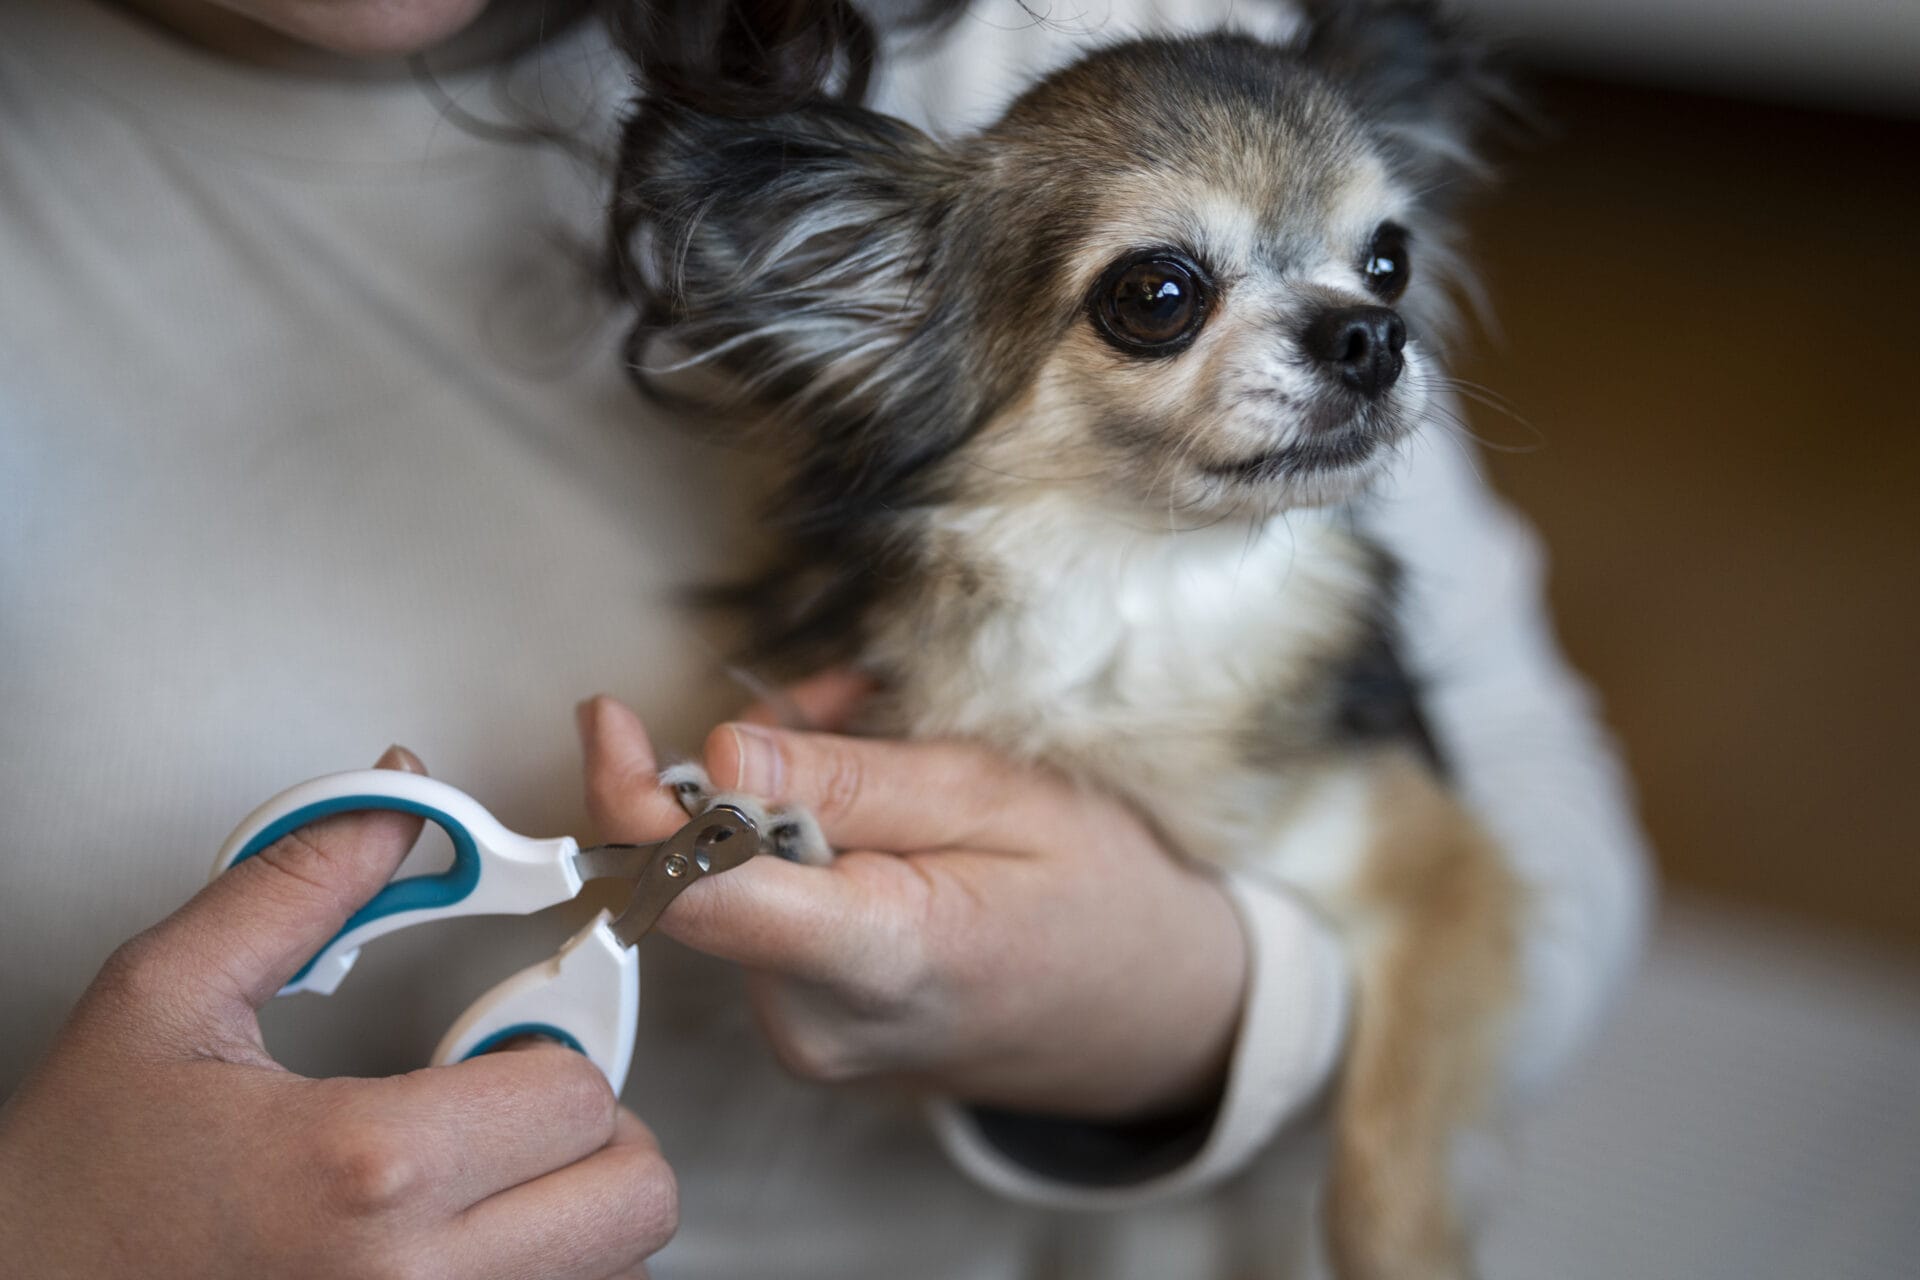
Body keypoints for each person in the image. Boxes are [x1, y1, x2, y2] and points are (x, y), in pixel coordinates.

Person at [0, 1, 1653, 1277]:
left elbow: (1543, 829)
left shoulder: (1062, 33)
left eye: (1379, 263)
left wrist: (1189, 1011)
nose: (1358, 327)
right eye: (1157, 295)